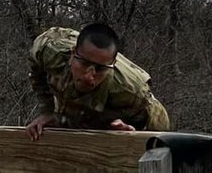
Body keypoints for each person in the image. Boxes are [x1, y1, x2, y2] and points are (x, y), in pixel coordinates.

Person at [25, 23, 170, 140]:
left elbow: (160, 130)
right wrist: (47, 111)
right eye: (84, 63)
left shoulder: (132, 91)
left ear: (112, 66)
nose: (89, 76)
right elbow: (37, 71)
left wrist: (133, 132)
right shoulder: (49, 51)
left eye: (100, 69)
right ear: (72, 54)